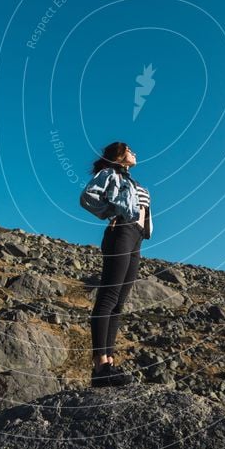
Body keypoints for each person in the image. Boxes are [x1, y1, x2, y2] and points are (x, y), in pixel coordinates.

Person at [84, 141, 153, 387]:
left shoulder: (131, 181)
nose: (135, 152)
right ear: (119, 155)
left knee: (119, 302)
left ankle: (109, 364)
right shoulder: (110, 173)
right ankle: (99, 365)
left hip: (136, 236)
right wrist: (112, 212)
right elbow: (88, 197)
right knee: (109, 297)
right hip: (121, 231)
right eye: (130, 149)